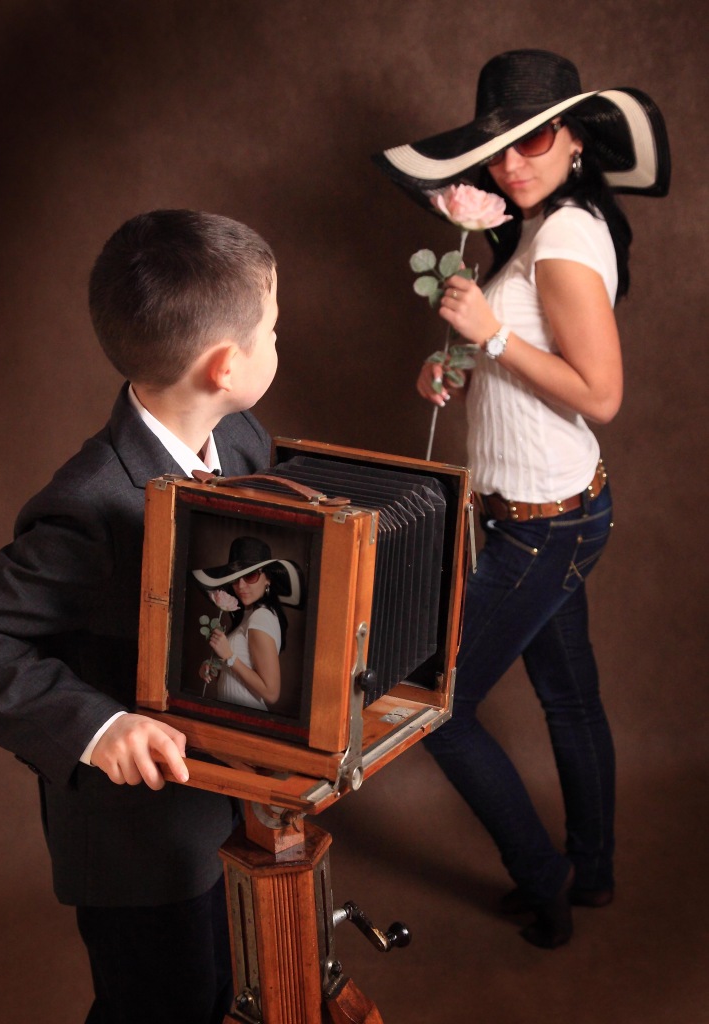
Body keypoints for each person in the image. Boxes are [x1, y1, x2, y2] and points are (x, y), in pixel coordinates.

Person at [375, 49, 670, 948]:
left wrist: (493, 333)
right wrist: (458, 364)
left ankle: (548, 879)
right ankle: (595, 873)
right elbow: (526, 363)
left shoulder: (567, 238)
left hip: (546, 526)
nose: (511, 163)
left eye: (533, 139)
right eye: (498, 147)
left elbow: (602, 395)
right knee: (570, 700)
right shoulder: (543, 230)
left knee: (437, 707)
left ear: (576, 138)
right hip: (551, 512)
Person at [0, 209, 279, 1021]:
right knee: (159, 1005)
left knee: (225, 987)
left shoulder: (244, 439)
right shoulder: (87, 505)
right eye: (273, 330)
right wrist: (98, 725)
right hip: (136, 844)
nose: (278, 342)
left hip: (227, 800)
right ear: (226, 365)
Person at [193, 535, 303, 711]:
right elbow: (240, 678)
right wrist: (215, 668)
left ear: (268, 578)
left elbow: (271, 693)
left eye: (250, 576)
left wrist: (229, 657)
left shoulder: (261, 617)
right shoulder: (249, 615)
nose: (241, 586)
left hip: (246, 718)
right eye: (235, 578)